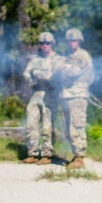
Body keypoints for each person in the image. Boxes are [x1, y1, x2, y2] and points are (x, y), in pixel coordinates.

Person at [21, 32, 63, 164]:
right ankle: (32, 152)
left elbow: (53, 76)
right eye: (42, 43)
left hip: (51, 94)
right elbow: (26, 73)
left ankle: (46, 154)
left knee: (47, 124)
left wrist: (39, 74)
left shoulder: (58, 60)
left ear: (52, 44)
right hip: (37, 93)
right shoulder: (35, 60)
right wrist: (31, 79)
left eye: (47, 43)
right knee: (31, 123)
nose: (45, 46)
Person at [58, 28, 94, 169]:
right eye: (69, 41)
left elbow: (73, 72)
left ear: (79, 41)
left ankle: (80, 157)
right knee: (67, 127)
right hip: (67, 95)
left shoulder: (83, 56)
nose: (71, 43)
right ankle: (75, 155)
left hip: (78, 95)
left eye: (74, 40)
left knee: (76, 126)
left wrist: (63, 67)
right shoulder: (68, 56)